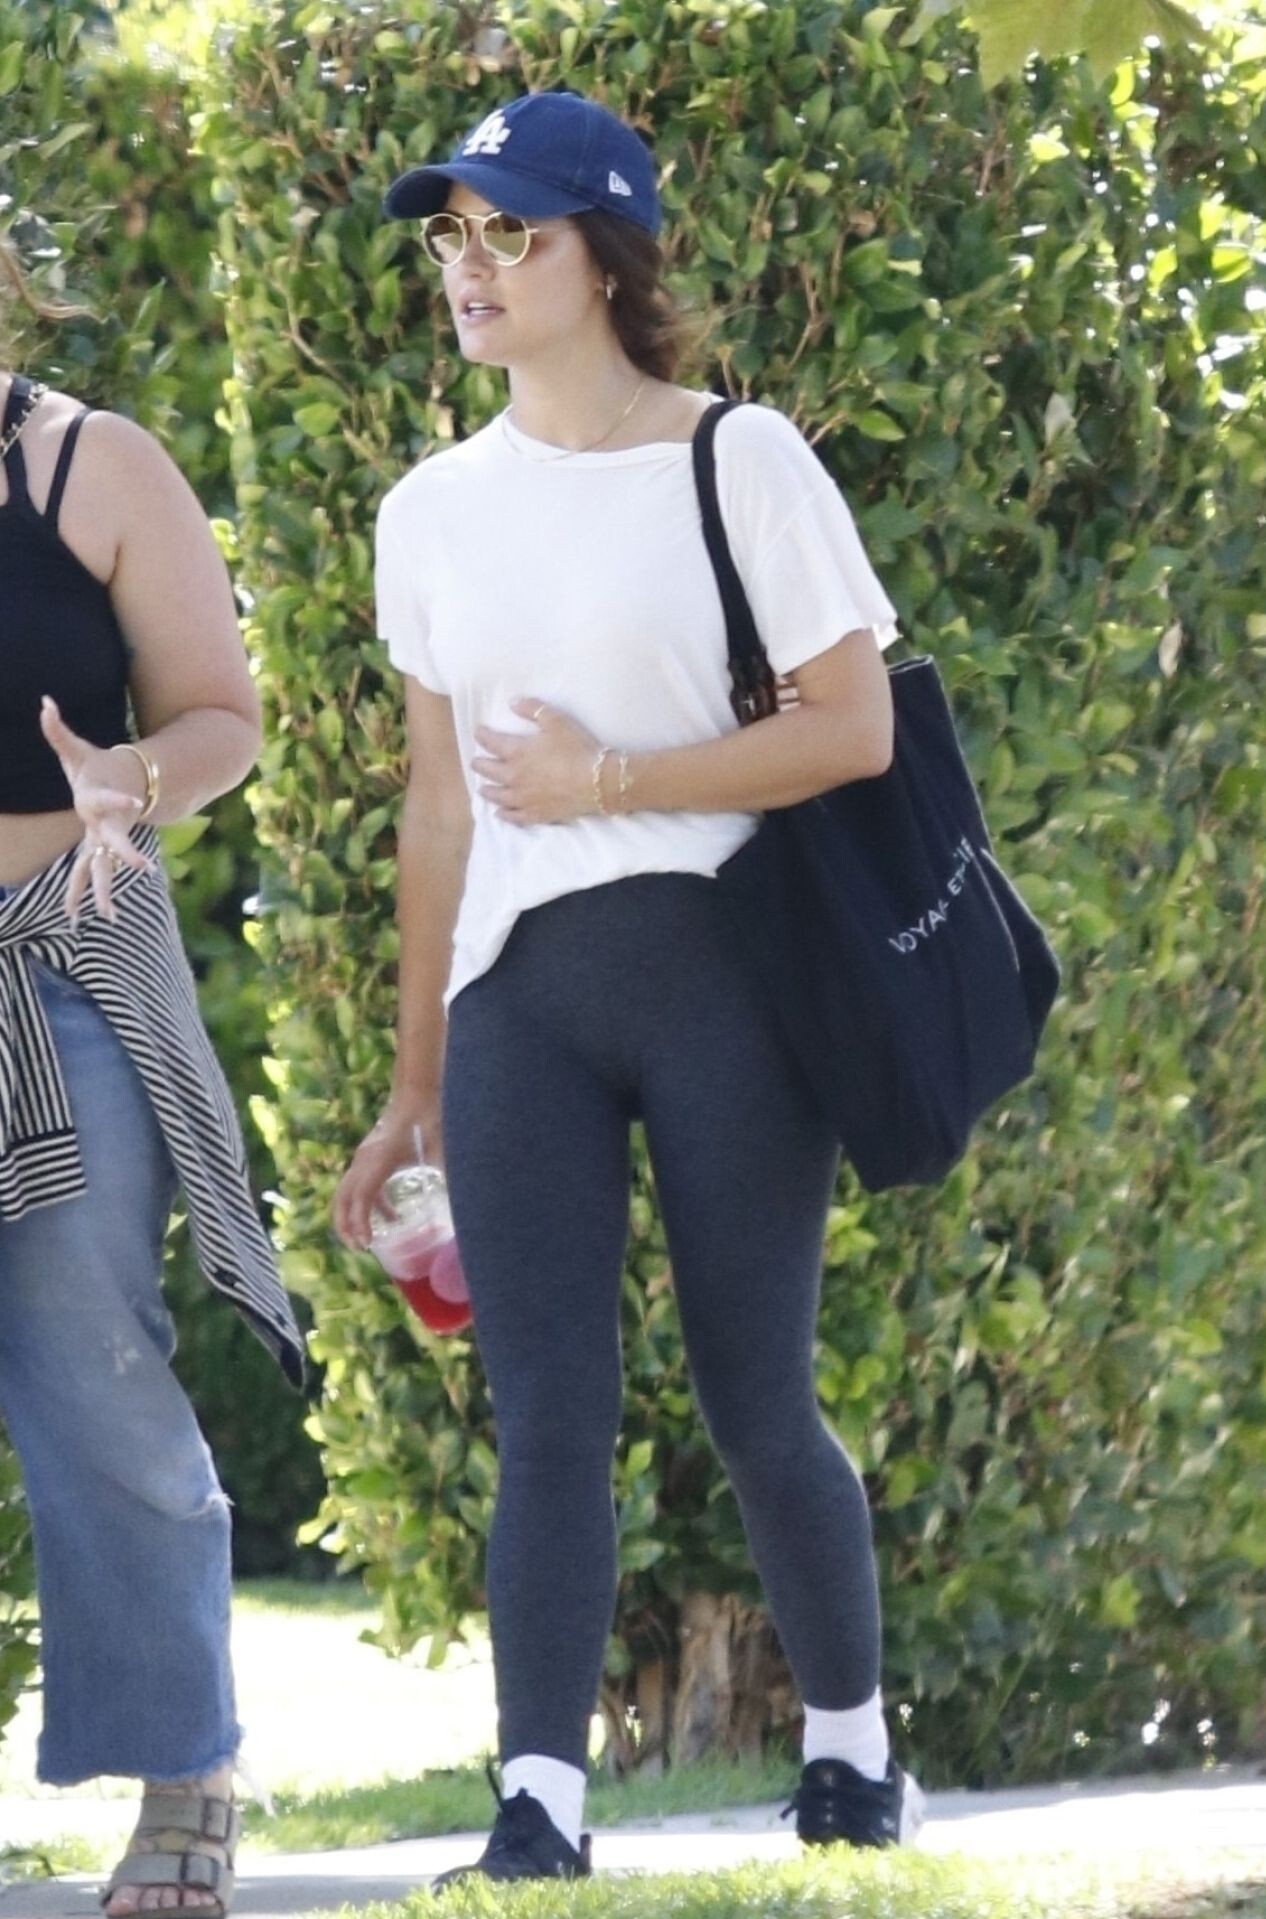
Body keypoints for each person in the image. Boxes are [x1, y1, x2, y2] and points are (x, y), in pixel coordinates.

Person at [334, 90, 924, 1888]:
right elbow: (440, 806)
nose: (470, 266)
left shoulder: (738, 460)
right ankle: (539, 1808)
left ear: (605, 257)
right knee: (547, 1420)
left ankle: (851, 1760)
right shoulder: (431, 511)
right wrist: (413, 1080)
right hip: (520, 1003)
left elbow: (854, 727)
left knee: (758, 1401)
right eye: (452, 234)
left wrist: (608, 780)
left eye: (509, 232)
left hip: (725, 981)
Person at [0, 239, 304, 1917]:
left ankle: (186, 1764)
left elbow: (219, 717)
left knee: (94, 1369)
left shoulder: (91, 465)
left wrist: (129, 776)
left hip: (63, 961)